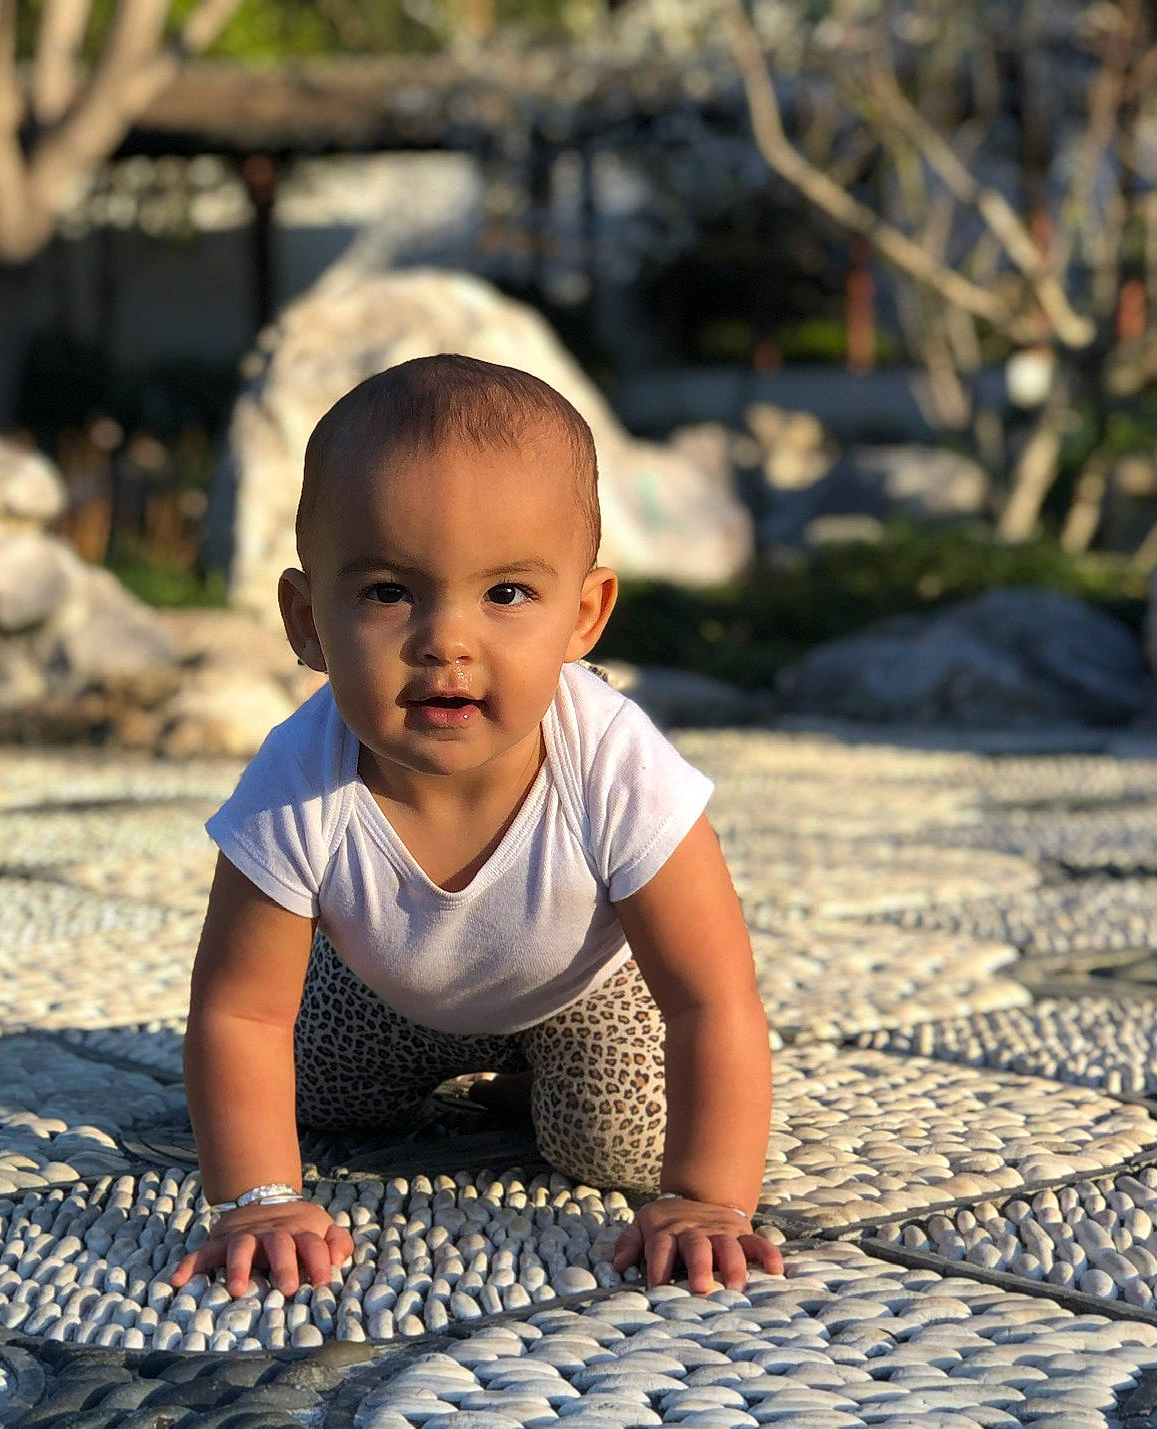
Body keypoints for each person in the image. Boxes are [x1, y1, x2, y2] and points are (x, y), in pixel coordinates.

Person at [169, 354, 783, 1306]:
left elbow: (712, 998)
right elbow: (239, 1011)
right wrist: (255, 1200)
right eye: (386, 592)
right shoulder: (299, 778)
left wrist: (708, 1200)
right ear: (307, 622)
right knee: (304, 1100)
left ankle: (530, 1066)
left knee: (615, 1145)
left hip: (581, 990)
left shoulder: (612, 762)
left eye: (506, 594)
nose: (445, 641)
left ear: (584, 616)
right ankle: (466, 1064)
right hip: (382, 988)